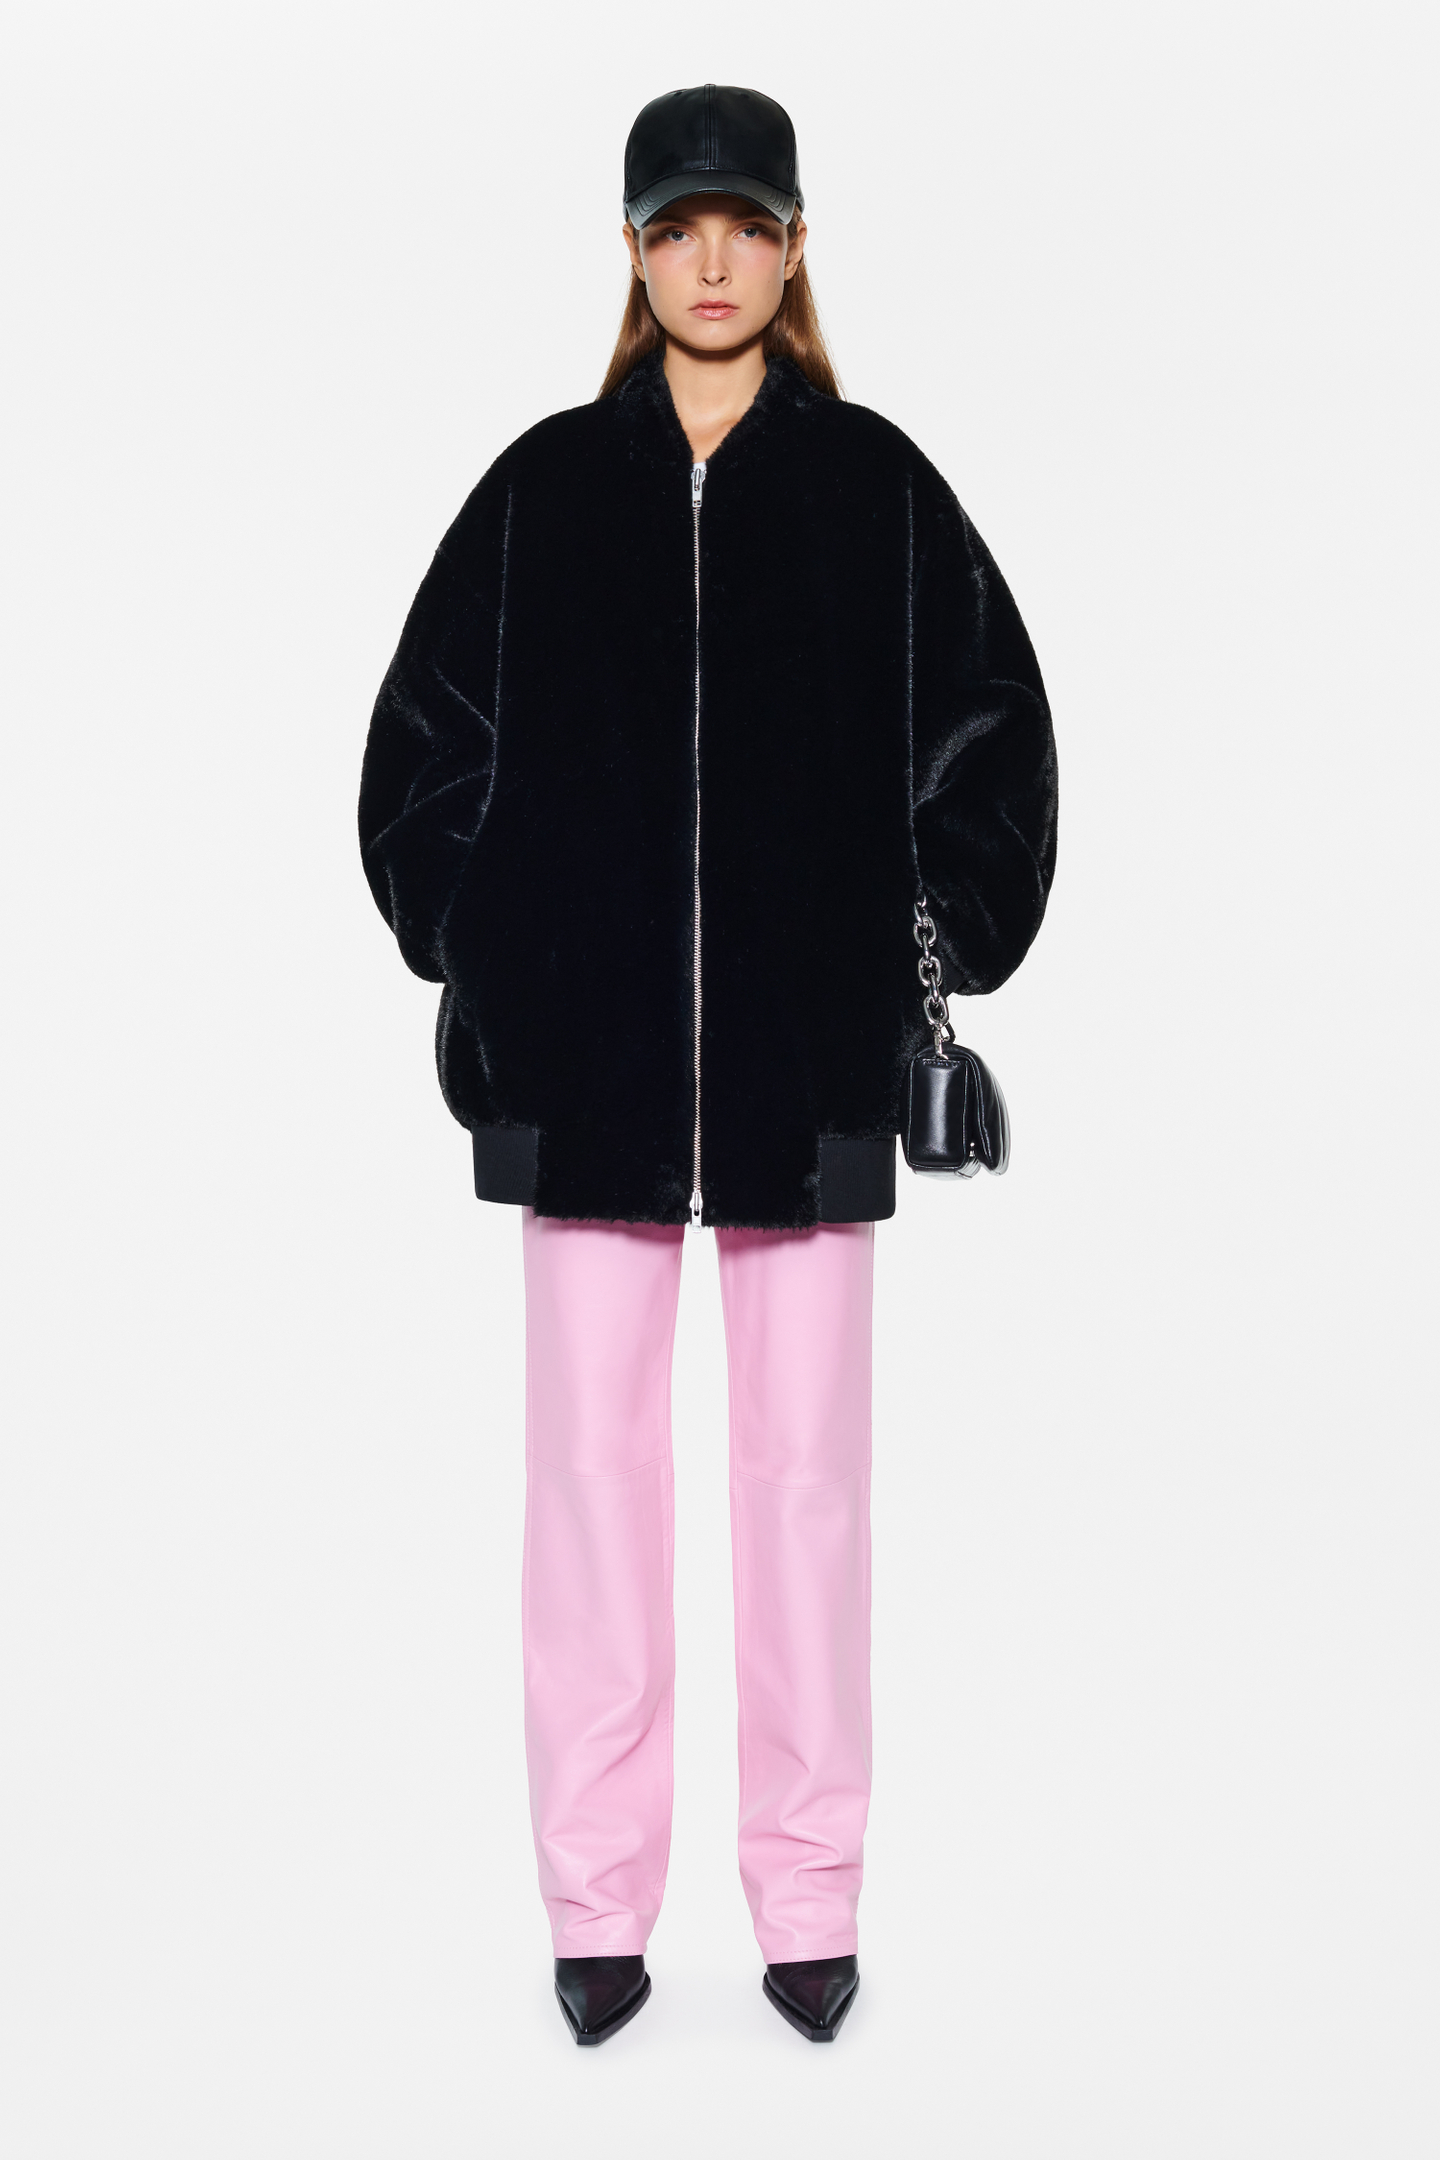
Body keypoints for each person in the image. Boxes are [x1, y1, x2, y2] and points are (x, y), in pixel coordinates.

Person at [359, 82, 1057, 2046]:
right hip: (581, 1079)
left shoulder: (874, 488)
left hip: (805, 1078)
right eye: (680, 227)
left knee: (807, 1493)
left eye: (747, 222)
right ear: (635, 250)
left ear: (796, 242)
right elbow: (420, 758)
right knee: (590, 1489)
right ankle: (596, 1905)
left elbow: (992, 740)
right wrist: (488, 948)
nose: (716, 260)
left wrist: (928, 946)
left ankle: (809, 1898)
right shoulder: (542, 490)